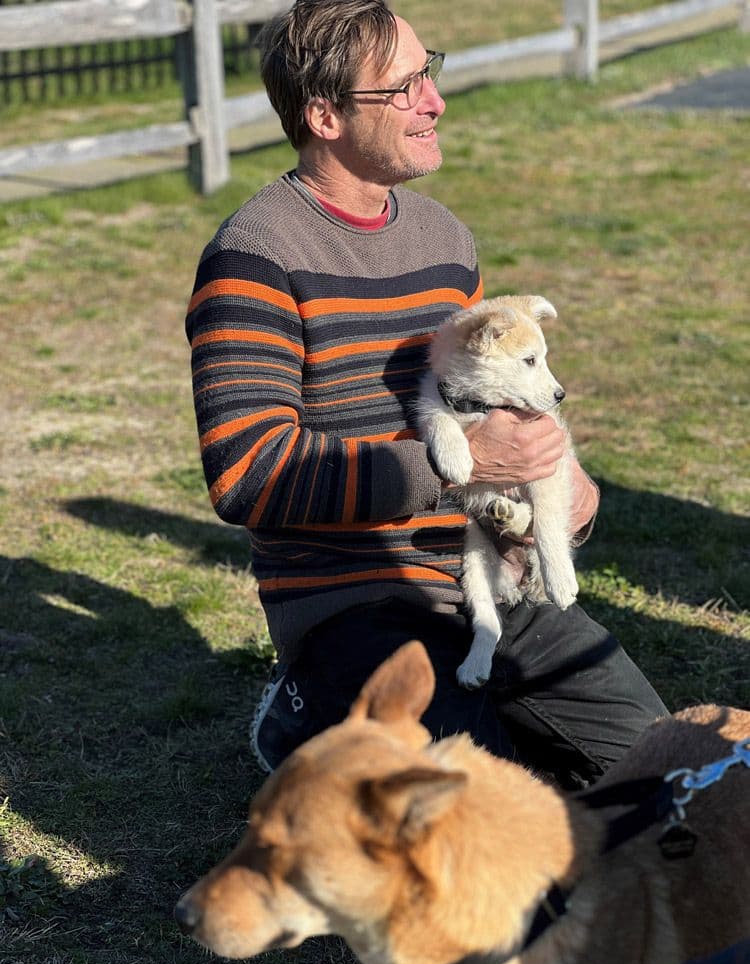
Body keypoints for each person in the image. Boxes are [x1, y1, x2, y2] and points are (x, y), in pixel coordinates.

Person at [185, 0, 667, 788]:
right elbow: (248, 476)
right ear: (324, 114)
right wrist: (460, 464)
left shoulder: (446, 239)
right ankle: (305, 709)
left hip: (490, 583)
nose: (435, 101)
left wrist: (559, 485)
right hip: (356, 603)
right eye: (403, 88)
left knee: (671, 778)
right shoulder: (255, 256)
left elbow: (497, 404)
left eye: (427, 73)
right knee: (472, 829)